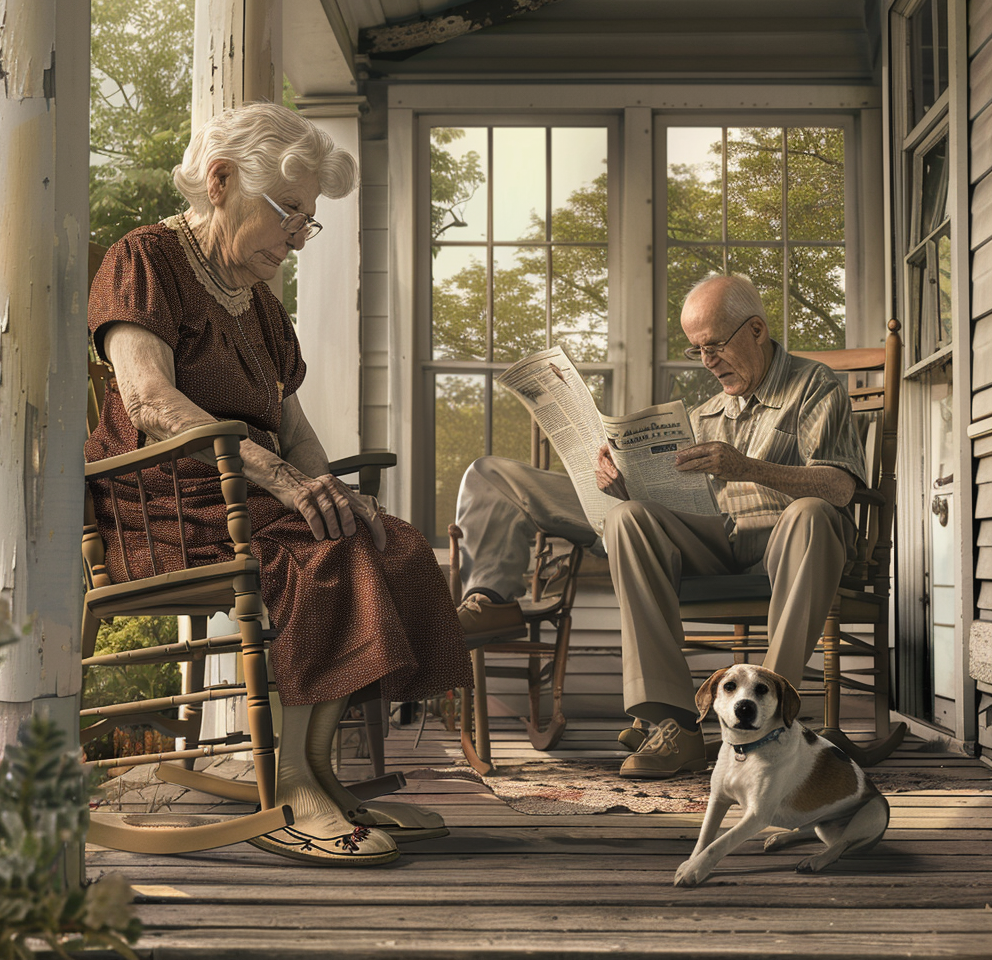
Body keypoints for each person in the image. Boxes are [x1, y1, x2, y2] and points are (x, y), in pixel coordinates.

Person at [86, 103, 473, 866]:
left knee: (381, 540)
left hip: (248, 497)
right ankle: (292, 780)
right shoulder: (145, 260)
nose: (298, 235)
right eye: (288, 213)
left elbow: (295, 432)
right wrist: (289, 485)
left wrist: (327, 491)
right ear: (222, 181)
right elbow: (149, 402)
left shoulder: (258, 302)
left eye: (308, 219)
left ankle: (320, 768)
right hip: (164, 502)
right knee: (319, 549)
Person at [453, 273, 865, 779]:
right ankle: (674, 725)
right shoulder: (705, 412)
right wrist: (623, 487)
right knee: (627, 518)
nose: (707, 361)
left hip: (787, 540)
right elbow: (681, 503)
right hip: (717, 538)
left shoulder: (815, 385)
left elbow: (841, 489)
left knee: (814, 512)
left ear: (756, 329)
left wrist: (748, 468)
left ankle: (768, 723)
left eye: (713, 345)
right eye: (697, 351)